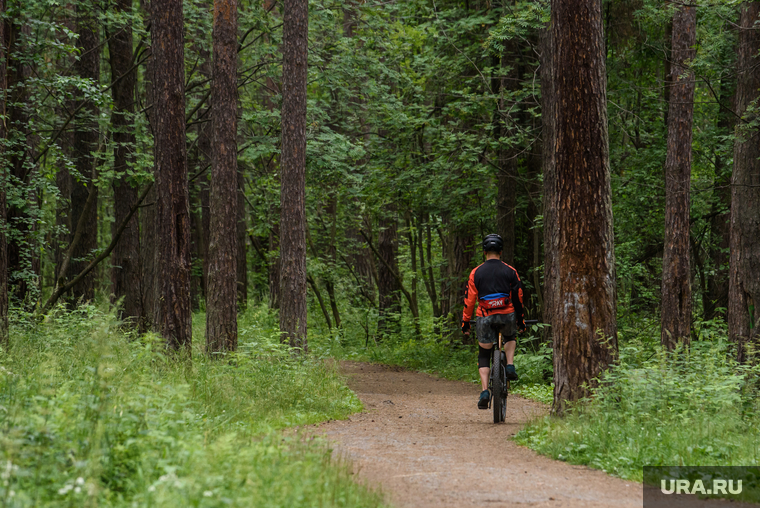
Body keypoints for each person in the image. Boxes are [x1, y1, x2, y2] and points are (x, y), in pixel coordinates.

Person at [461, 233, 526, 410]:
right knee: (510, 336)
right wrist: (521, 321)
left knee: (484, 352)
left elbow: (469, 300)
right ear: (501, 251)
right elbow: (518, 297)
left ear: (484, 252)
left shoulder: (476, 272)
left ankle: (484, 392)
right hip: (507, 315)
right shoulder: (511, 271)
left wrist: (465, 322)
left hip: (485, 316)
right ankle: (510, 365)